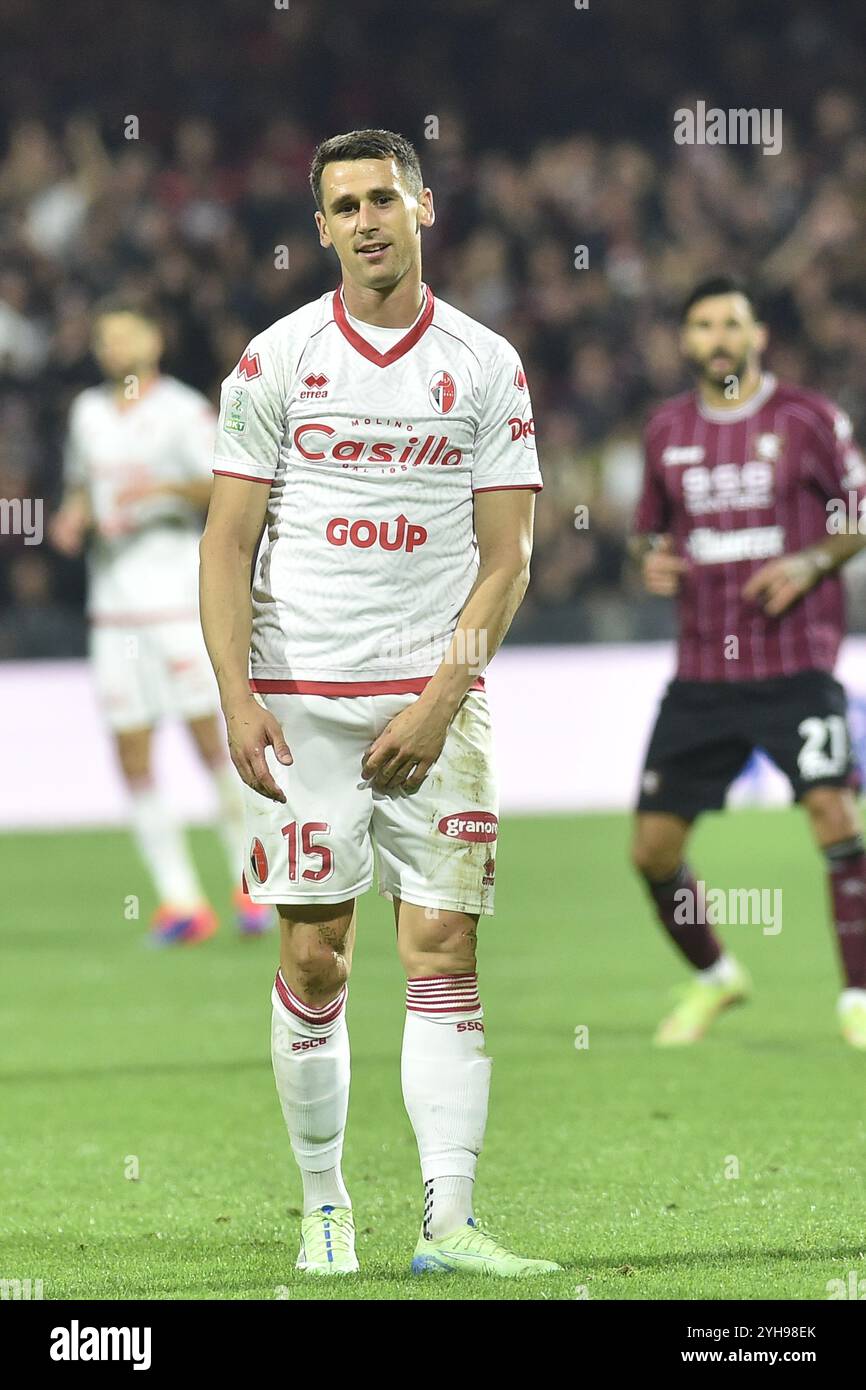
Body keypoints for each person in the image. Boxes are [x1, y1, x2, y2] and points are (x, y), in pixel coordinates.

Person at [199, 128, 560, 1277]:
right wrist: (235, 693)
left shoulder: (484, 363)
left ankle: (447, 1223)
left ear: (425, 207)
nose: (365, 221)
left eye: (383, 199)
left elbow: (506, 557)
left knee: (443, 945)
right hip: (302, 701)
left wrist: (442, 697)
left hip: (433, 697)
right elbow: (226, 541)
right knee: (316, 961)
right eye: (343, 205)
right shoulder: (274, 361)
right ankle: (324, 1207)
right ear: (319, 227)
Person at [631, 275, 866, 1048]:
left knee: (833, 813)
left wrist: (807, 565)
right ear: (687, 342)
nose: (719, 337)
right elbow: (650, 534)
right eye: (703, 325)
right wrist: (653, 560)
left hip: (795, 664)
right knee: (652, 850)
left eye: (733, 322)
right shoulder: (665, 429)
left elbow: (856, 517)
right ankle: (715, 977)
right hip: (703, 675)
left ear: (758, 334)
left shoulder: (808, 418)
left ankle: (859, 1001)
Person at [50, 301, 273, 944]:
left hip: (179, 605)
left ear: (154, 339)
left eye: (123, 333)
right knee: (131, 750)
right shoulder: (88, 413)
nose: (111, 346)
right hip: (113, 611)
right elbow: (80, 485)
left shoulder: (184, 411)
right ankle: (180, 901)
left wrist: (162, 492)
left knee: (210, 740)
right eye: (102, 337)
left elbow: (223, 486)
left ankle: (248, 878)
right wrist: (72, 515)